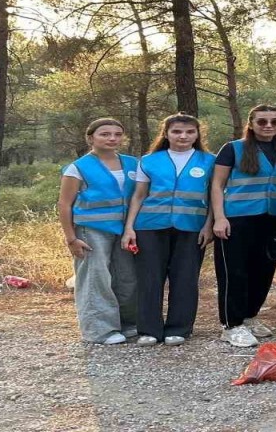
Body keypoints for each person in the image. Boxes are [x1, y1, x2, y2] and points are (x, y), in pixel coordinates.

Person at [121, 113, 216, 346]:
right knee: (149, 278)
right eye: (176, 132)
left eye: (189, 132)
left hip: (191, 227)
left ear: (197, 134)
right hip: (150, 226)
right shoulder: (149, 160)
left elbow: (214, 196)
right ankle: (149, 330)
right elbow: (139, 195)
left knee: (185, 277)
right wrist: (129, 228)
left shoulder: (210, 161)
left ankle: (179, 328)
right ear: (166, 134)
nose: (183, 136)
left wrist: (209, 225)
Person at [210, 104, 276, 347]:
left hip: (273, 219)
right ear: (251, 123)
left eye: (274, 121)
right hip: (237, 219)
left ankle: (250, 316)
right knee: (234, 272)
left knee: (263, 272)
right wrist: (219, 218)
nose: (268, 126)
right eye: (262, 121)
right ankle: (231, 324)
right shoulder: (233, 149)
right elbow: (217, 185)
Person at [57, 118, 139, 345]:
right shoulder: (79, 167)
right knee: (96, 278)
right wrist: (70, 238)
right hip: (91, 230)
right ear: (91, 137)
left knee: (128, 277)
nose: (112, 138)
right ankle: (99, 331)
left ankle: (128, 323)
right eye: (105, 134)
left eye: (117, 134)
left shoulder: (133, 163)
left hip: (125, 230)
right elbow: (64, 204)